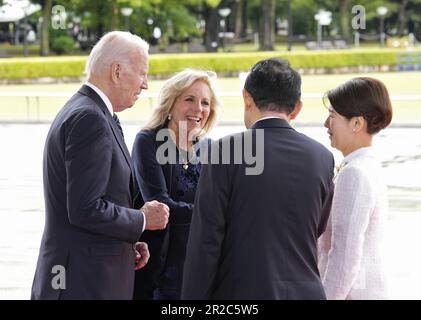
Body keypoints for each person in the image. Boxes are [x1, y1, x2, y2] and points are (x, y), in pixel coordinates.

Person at [31, 31, 170, 300]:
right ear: (117, 71)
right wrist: (142, 219)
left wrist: (125, 242)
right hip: (83, 283)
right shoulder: (90, 118)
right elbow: (85, 209)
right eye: (142, 73)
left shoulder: (88, 110)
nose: (146, 85)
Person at [181, 58, 335, 300]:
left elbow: (205, 243)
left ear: (246, 98)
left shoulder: (225, 151)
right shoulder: (323, 157)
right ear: (296, 107)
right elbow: (317, 227)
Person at [131, 69, 220, 300]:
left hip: (199, 263)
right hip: (158, 266)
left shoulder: (209, 148)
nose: (198, 109)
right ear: (170, 105)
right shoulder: (147, 141)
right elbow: (160, 204)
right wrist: (216, 214)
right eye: (189, 99)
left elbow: (221, 199)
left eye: (205, 103)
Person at [318, 77, 393, 300]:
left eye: (332, 116)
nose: (326, 124)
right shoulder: (365, 165)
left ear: (356, 124)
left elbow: (344, 255)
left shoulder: (354, 174)